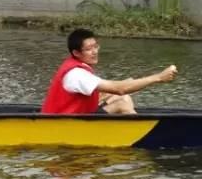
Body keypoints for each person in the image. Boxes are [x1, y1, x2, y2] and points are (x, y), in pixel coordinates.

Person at [41, 28, 177, 114]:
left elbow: (112, 91)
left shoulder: (77, 66)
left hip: (75, 119)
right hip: (64, 125)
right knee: (122, 101)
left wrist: (127, 84)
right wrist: (158, 77)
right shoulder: (77, 74)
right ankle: (135, 137)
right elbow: (120, 89)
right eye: (89, 49)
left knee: (120, 97)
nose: (94, 52)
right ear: (76, 52)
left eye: (95, 47)